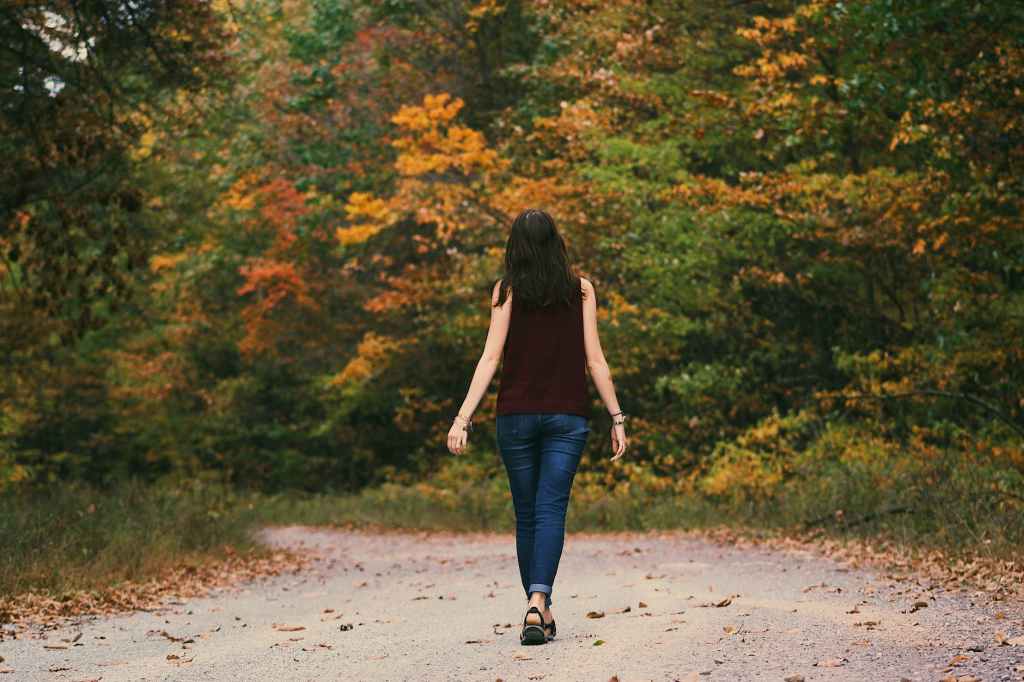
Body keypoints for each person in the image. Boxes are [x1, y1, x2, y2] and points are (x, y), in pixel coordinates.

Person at [445, 207, 628, 646]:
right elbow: (595, 359)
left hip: (516, 417)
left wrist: (462, 417)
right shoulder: (581, 290)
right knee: (550, 510)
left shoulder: (506, 291)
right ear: (556, 242)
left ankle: (535, 605)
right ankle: (539, 602)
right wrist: (617, 417)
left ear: (516, 247)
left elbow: (490, 358)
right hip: (569, 417)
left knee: (526, 513)